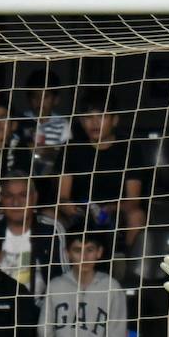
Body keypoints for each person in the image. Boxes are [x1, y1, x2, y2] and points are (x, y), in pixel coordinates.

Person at [58, 90, 151, 255]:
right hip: (79, 212)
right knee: (48, 217)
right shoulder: (71, 149)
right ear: (81, 121)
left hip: (115, 212)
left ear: (114, 120)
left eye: (101, 116)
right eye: (88, 117)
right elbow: (63, 195)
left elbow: (133, 200)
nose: (94, 123)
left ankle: (129, 268)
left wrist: (112, 208)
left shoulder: (129, 147)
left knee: (136, 216)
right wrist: (68, 206)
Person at [39, 230, 127, 337]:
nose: (84, 257)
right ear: (67, 253)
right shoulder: (55, 286)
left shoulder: (111, 287)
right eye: (77, 250)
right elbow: (44, 335)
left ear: (99, 252)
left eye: (90, 250)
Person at [0, 176, 67, 299]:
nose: (16, 202)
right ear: (1, 199)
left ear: (34, 198)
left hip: (39, 311)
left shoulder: (51, 230)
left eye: (23, 195)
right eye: (9, 196)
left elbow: (62, 280)